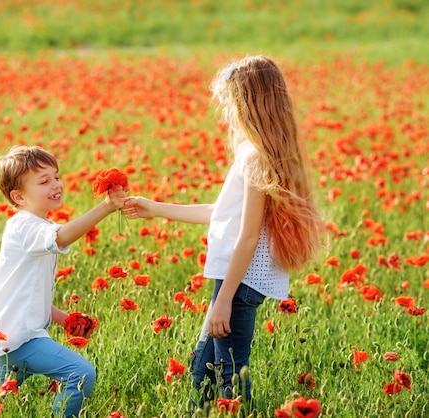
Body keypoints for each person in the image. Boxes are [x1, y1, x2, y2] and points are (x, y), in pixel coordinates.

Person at [123, 56, 323, 409]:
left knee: (230, 377)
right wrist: (153, 207)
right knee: (203, 370)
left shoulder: (256, 157)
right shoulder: (258, 153)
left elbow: (247, 235)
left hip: (240, 283)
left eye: (230, 102)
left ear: (247, 103)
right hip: (237, 281)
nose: (226, 112)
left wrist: (225, 299)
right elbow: (222, 214)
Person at [0, 145, 126, 417]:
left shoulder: (35, 227)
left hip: (14, 339)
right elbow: (62, 237)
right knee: (80, 374)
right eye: (44, 181)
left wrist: (62, 318)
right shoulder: (25, 226)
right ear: (19, 196)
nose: (56, 184)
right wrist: (106, 207)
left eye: (56, 177)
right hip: (20, 342)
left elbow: (26, 293)